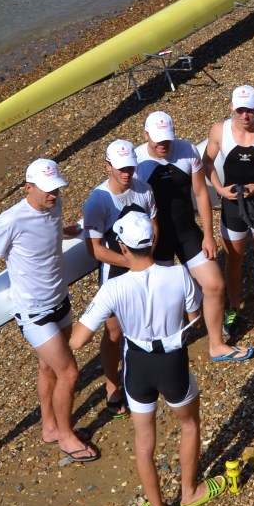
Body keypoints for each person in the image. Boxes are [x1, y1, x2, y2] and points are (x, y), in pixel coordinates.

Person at [70, 211, 226, 506]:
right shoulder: (179, 273)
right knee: (189, 425)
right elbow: (193, 314)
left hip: (137, 365)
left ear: (123, 248)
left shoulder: (113, 288)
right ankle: (189, 491)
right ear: (151, 242)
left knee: (144, 443)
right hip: (172, 360)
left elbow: (78, 340)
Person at [0, 160, 98, 462]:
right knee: (70, 373)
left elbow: (47, 232)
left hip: (60, 299)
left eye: (57, 188)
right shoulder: (10, 221)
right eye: (48, 190)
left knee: (48, 368)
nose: (54, 195)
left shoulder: (55, 203)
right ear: (29, 187)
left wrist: (68, 231)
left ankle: (50, 427)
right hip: (33, 312)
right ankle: (66, 436)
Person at [135, 111, 253, 362]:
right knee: (162, 297)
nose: (163, 145)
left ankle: (216, 345)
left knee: (214, 285)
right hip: (156, 240)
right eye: (157, 141)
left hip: (187, 231)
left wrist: (208, 235)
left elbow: (200, 194)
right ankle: (167, 349)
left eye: (167, 139)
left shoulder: (187, 150)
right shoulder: (136, 162)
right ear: (145, 135)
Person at [203, 85, 254, 338]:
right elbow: (206, 162)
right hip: (232, 204)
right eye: (240, 110)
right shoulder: (220, 130)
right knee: (234, 260)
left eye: (249, 110)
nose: (244, 116)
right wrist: (219, 188)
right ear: (232, 108)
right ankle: (233, 307)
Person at [83, 140, 158, 417]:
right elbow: (95, 250)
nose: (127, 173)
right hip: (115, 270)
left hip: (143, 263)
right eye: (121, 169)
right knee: (114, 333)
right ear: (107, 166)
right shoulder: (98, 201)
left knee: (141, 324)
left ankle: (137, 379)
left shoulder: (144, 190)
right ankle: (111, 385)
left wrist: (146, 261)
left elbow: (154, 227)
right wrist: (132, 262)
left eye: (130, 168)